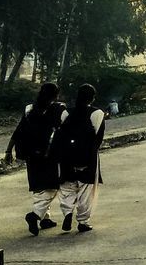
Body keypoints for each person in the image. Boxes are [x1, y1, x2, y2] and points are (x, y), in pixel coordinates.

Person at [6, 82, 66, 235]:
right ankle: (35, 215)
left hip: (31, 154)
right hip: (48, 153)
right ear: (56, 95)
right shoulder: (58, 109)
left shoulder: (29, 109)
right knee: (52, 187)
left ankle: (45, 218)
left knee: (39, 186)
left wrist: (8, 150)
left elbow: (19, 130)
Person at [54, 83, 106, 234]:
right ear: (93, 97)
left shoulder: (66, 113)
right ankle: (83, 221)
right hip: (87, 156)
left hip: (66, 157)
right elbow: (98, 137)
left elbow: (60, 134)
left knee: (67, 187)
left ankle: (67, 213)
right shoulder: (97, 113)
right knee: (86, 189)